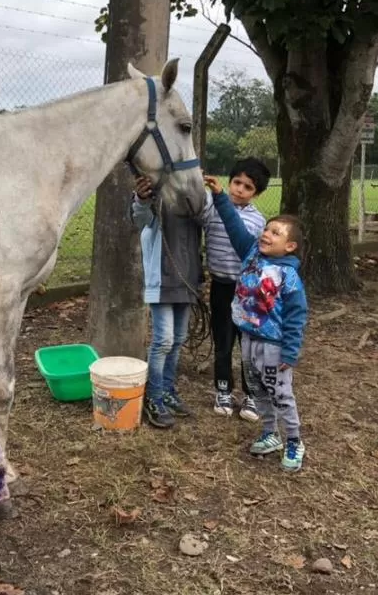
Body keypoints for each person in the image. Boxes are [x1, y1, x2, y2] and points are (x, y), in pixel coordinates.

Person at [205, 174, 309, 471]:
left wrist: (290, 351)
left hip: (273, 346)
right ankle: (269, 433)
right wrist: (220, 196)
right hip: (249, 339)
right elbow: (233, 225)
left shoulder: (289, 277)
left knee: (280, 393)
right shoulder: (251, 253)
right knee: (259, 390)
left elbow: (296, 317)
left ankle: (294, 440)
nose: (266, 234)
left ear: (289, 246)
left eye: (276, 233)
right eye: (266, 229)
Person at [130, 175, 204, 428]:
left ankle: (167, 390)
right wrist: (141, 198)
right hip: (161, 282)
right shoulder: (158, 199)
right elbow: (140, 218)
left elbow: (209, 220)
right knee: (163, 340)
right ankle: (154, 396)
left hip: (187, 281)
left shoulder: (194, 202)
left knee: (178, 338)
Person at [203, 158, 270, 421]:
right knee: (223, 342)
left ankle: (252, 394)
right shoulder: (211, 209)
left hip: (248, 293)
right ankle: (223, 390)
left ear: (257, 193)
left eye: (248, 187)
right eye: (237, 182)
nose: (240, 189)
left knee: (249, 346)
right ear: (229, 182)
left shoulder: (258, 221)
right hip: (220, 287)